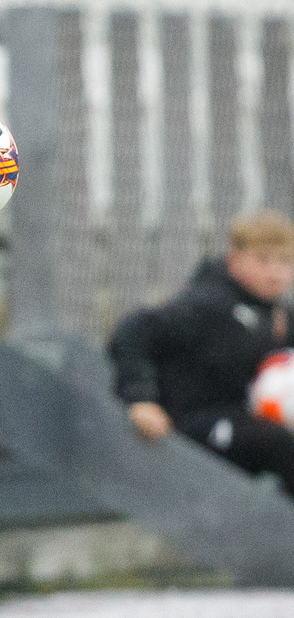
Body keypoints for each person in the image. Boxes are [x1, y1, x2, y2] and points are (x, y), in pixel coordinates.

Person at [110, 209, 294, 497]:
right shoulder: (206, 303)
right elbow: (134, 331)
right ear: (235, 260)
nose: (275, 271)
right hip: (192, 424)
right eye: (263, 260)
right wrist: (141, 400)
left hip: (245, 420)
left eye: (285, 261)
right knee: (279, 442)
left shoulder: (280, 313)